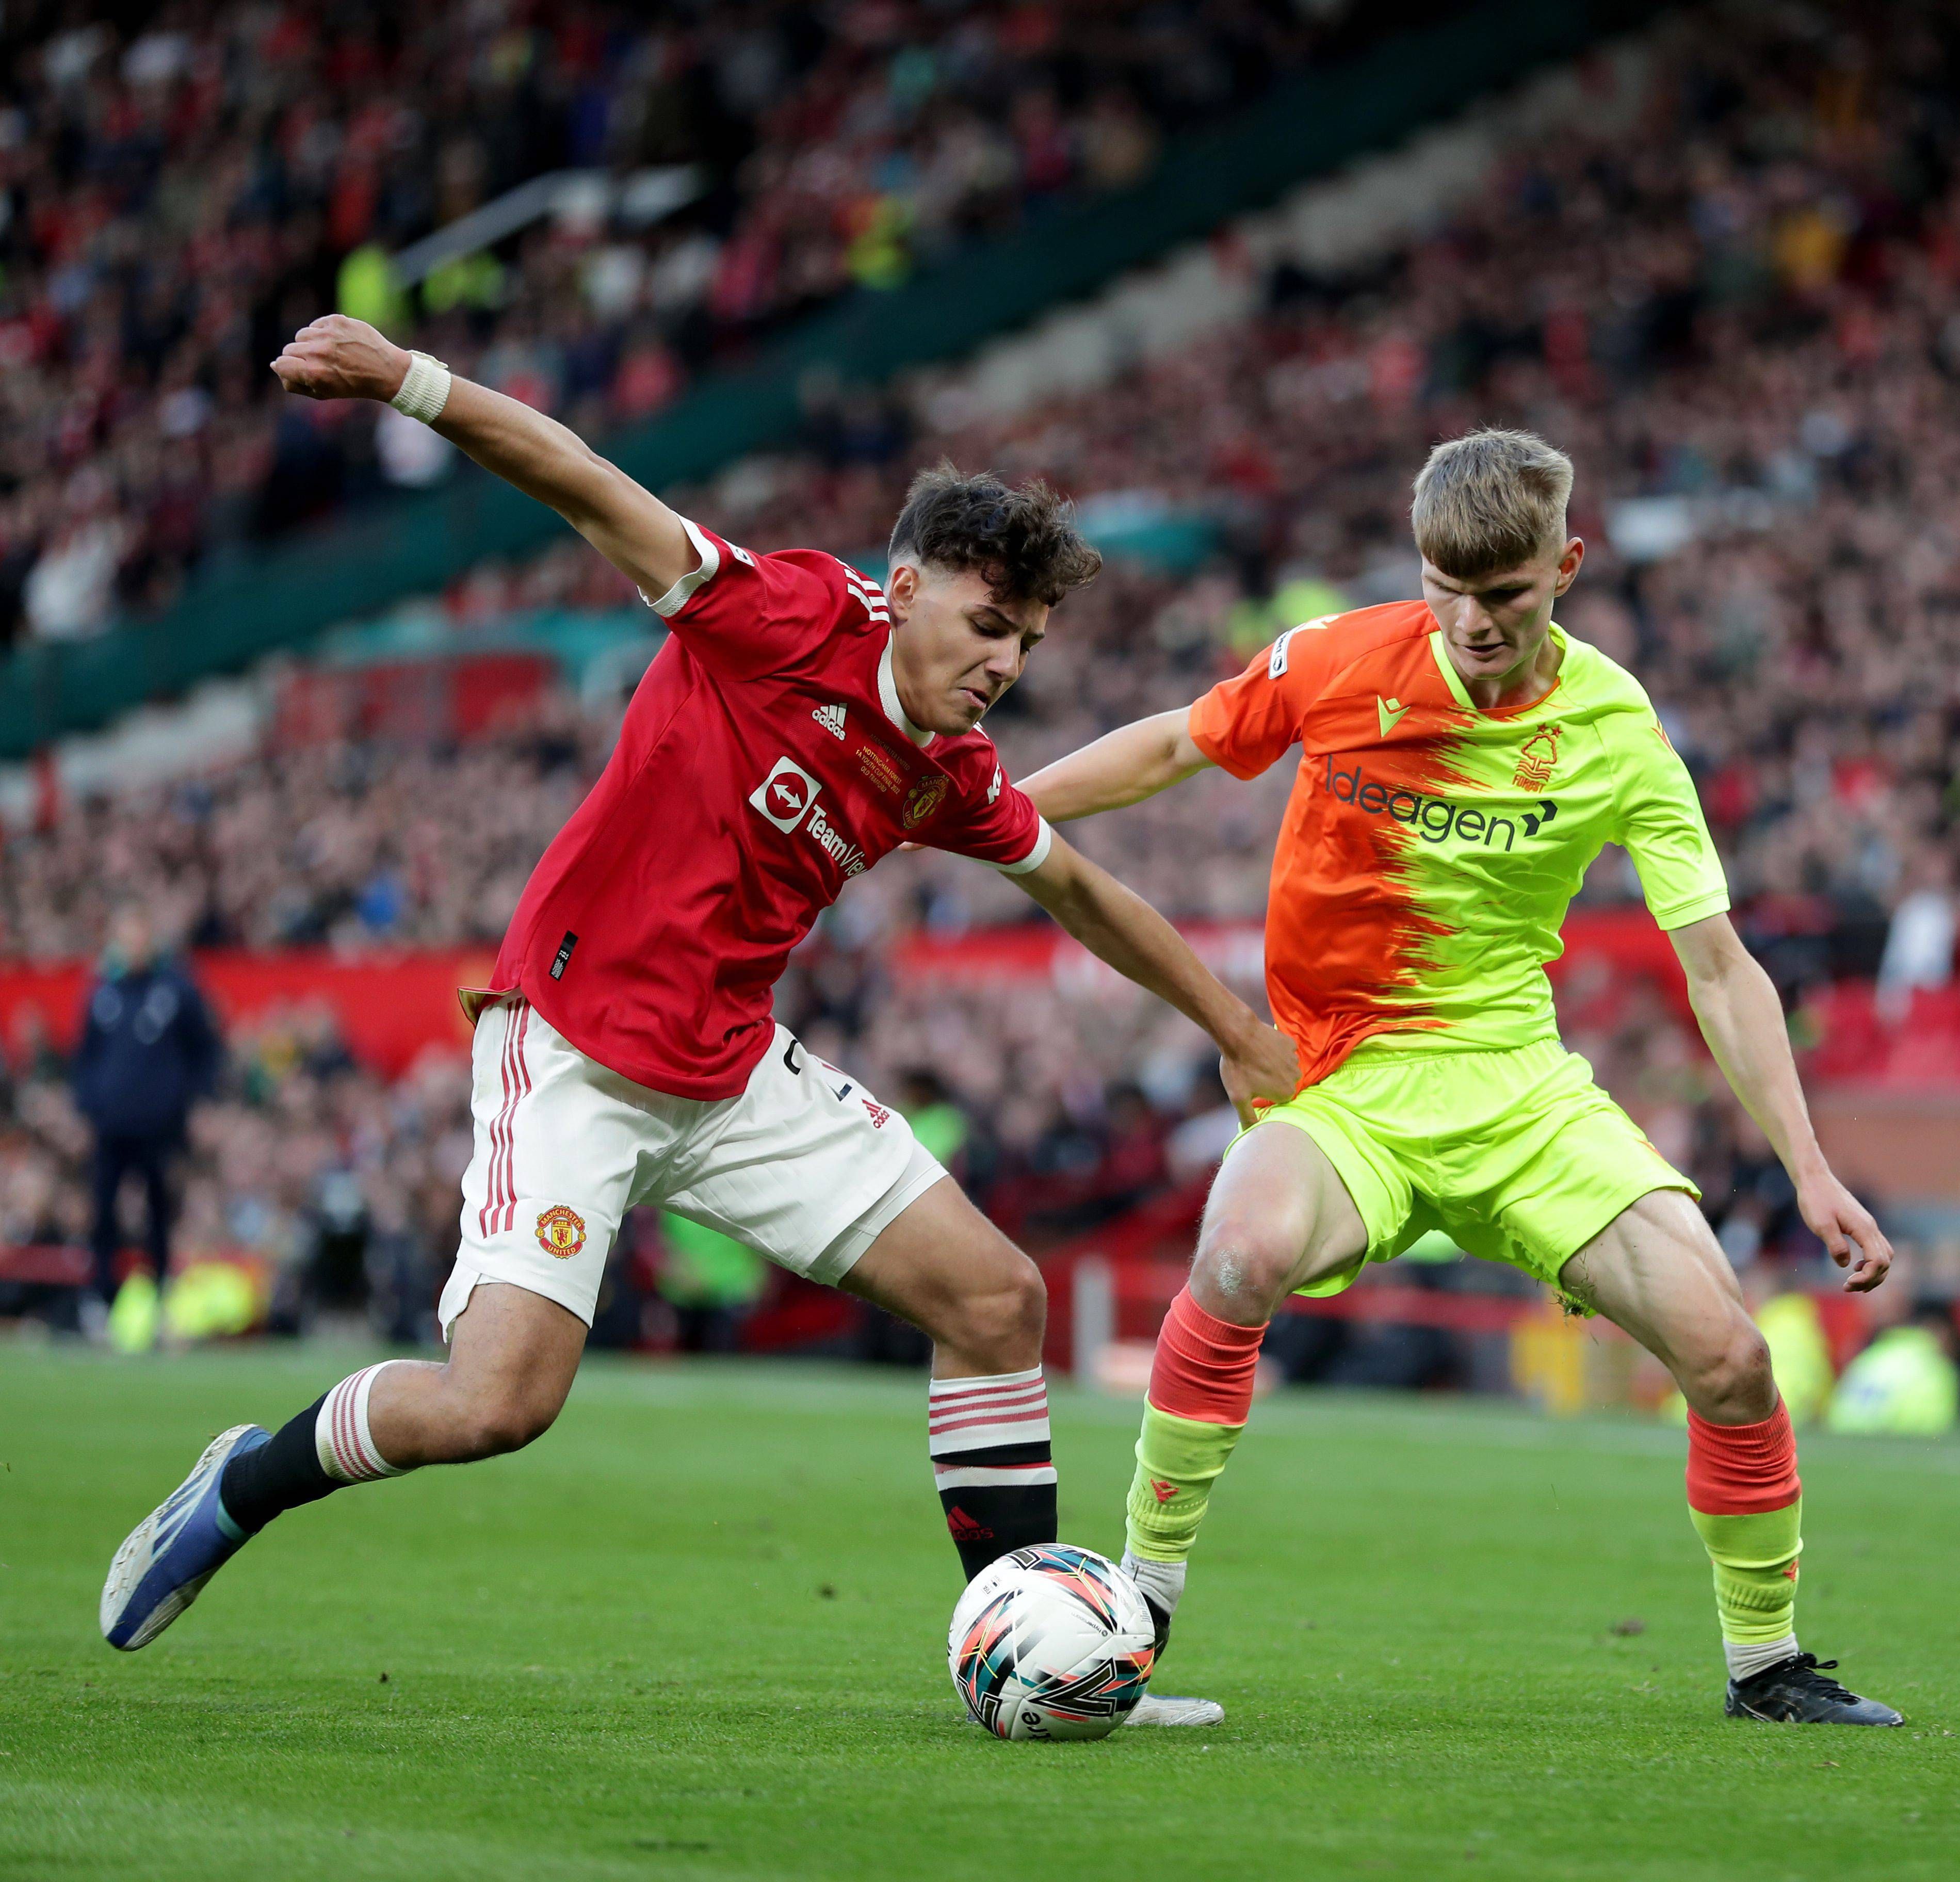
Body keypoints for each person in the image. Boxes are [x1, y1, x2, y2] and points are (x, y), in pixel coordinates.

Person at [99, 317, 1300, 1735]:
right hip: (572, 1048)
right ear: (907, 588)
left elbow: (1081, 890)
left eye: (1027, 645)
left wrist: (1233, 1027)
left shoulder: (949, 771)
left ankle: (1049, 1652)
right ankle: (243, 1483)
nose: (1005, 665)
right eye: (989, 627)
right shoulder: (786, 617)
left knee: (996, 1302)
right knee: (495, 1408)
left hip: (728, 1072)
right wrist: (408, 383)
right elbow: (585, 481)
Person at [1019, 429, 1902, 1726]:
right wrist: (990, 804)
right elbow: (1168, 750)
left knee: (1730, 1357)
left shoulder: (1616, 725)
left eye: (1505, 593)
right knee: (1236, 1257)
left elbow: (1718, 969)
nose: (1473, 622)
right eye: (1446, 588)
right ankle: (1137, 1610)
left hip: (1519, 1092)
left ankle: (1764, 1666)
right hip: (1344, 1086)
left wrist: (1809, 1171)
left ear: (1567, 567)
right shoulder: (1334, 660)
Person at [68, 906, 220, 1339]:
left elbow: (205, 1050)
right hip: (110, 1125)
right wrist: (85, 1108)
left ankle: (160, 1298)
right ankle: (101, 1301)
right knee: (104, 1212)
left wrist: (197, 1103)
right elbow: (85, 1057)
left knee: (159, 1212)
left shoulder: (177, 989)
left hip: (160, 1126)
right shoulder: (103, 992)